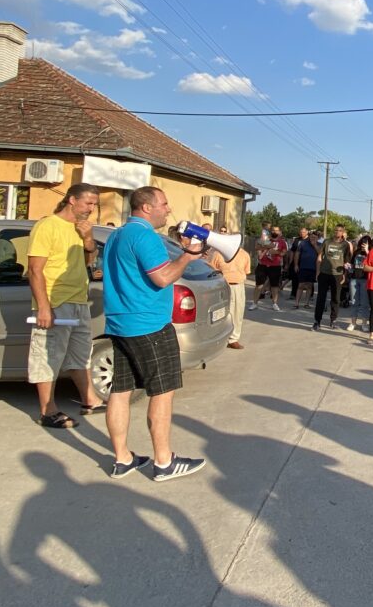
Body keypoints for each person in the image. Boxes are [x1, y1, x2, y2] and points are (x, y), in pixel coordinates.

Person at [102, 186, 205, 481]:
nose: (168, 209)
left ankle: (122, 458)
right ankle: (164, 461)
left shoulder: (117, 235)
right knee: (162, 392)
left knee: (120, 391)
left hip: (120, 323)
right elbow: (162, 278)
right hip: (149, 324)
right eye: (163, 203)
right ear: (146, 207)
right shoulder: (146, 236)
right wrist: (187, 256)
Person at [26, 182, 104, 429]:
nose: (91, 208)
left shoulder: (80, 228)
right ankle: (47, 411)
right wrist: (44, 307)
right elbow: (35, 270)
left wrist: (88, 238)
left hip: (79, 299)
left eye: (94, 204)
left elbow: (89, 260)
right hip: (55, 300)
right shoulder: (47, 226)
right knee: (48, 355)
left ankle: (89, 400)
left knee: (81, 355)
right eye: (88, 203)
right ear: (72, 200)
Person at [206, 237, 252, 350]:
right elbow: (211, 269)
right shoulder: (218, 254)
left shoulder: (244, 255)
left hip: (238, 286)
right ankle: (216, 337)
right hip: (222, 286)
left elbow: (246, 271)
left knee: (237, 313)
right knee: (219, 313)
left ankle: (233, 339)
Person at [314, 224, 352, 331]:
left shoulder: (345, 244)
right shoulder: (327, 242)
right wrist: (318, 271)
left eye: (339, 230)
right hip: (324, 273)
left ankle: (333, 320)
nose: (337, 232)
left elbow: (347, 262)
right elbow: (319, 256)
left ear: (343, 232)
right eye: (336, 230)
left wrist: (344, 275)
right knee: (321, 298)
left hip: (337, 275)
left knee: (336, 299)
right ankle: (317, 321)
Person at [251, 226, 287, 312]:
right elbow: (256, 247)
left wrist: (276, 252)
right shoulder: (265, 239)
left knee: (274, 285)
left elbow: (284, 253)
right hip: (262, 265)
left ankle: (275, 303)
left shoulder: (282, 242)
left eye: (276, 230)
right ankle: (254, 303)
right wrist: (267, 247)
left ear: (279, 232)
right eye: (273, 230)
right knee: (259, 285)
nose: (274, 232)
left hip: (275, 266)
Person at [347, 236, 371, 331]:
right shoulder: (356, 252)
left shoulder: (371, 252)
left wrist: (367, 251)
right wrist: (348, 266)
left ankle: (364, 323)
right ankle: (353, 323)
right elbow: (352, 264)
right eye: (362, 242)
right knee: (354, 302)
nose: (363, 245)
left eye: (366, 243)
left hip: (365, 279)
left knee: (365, 303)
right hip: (354, 278)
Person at [293, 231, 319, 309]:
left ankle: (306, 303)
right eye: (311, 237)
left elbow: (320, 253)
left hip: (313, 268)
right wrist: (296, 265)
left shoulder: (320, 244)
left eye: (314, 237)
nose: (312, 238)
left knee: (309, 286)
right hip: (303, 267)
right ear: (309, 236)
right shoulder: (303, 243)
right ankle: (296, 303)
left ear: (317, 238)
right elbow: (297, 254)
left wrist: (314, 245)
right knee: (300, 285)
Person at [288, 227, 310, 301]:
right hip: (296, 261)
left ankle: (310, 295)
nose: (301, 233)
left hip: (306, 262)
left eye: (303, 232)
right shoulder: (297, 240)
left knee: (307, 280)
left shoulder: (310, 240)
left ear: (307, 232)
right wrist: (291, 260)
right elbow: (292, 251)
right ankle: (293, 293)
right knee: (295, 278)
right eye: (300, 232)